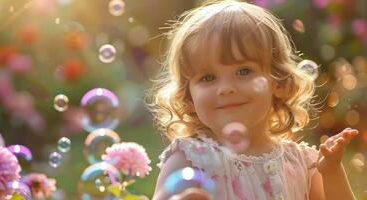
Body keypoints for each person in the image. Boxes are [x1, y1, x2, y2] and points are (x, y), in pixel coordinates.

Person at [145, 0, 359, 199]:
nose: (226, 88)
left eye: (244, 71)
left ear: (279, 83)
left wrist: (332, 172)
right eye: (208, 77)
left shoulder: (303, 163)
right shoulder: (191, 159)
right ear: (188, 96)